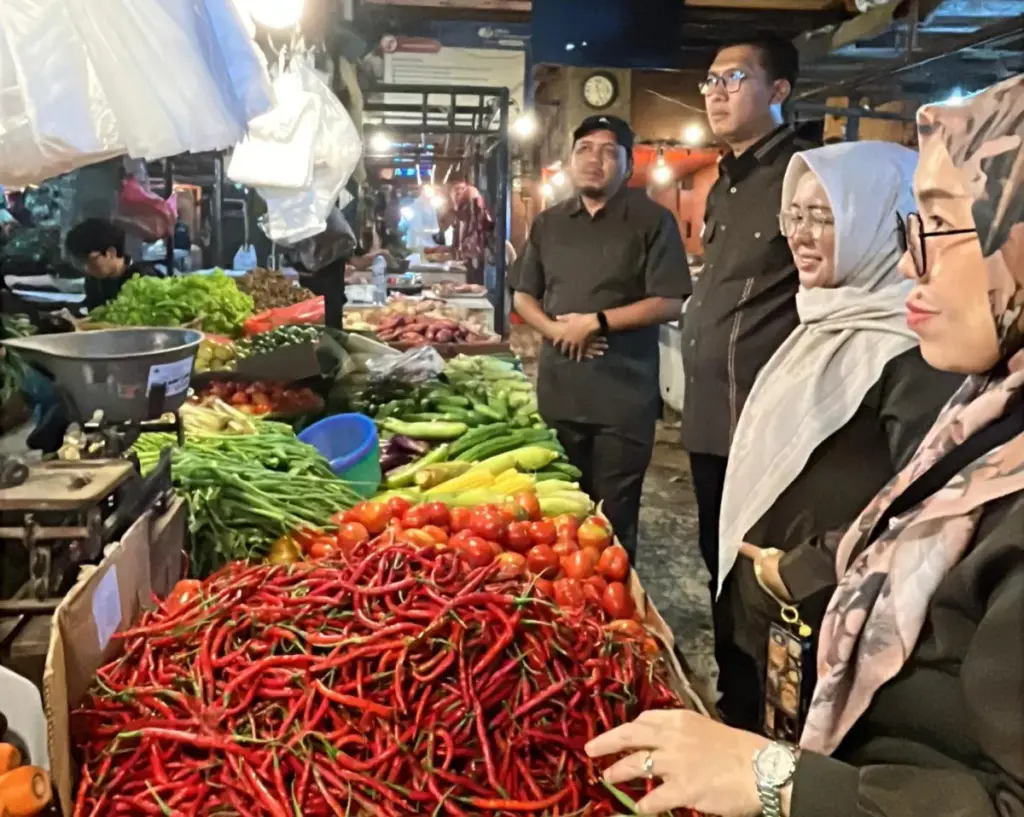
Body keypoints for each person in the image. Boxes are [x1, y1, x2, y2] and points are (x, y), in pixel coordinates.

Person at [585, 74, 1024, 817]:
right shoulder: (987, 407)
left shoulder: (932, 376)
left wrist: (777, 780)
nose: (912, 261)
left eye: (939, 225)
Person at [714, 141, 964, 733]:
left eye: (826, 218)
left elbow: (925, 509)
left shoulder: (917, 353)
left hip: (830, 622)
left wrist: (803, 570)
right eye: (794, 215)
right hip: (779, 617)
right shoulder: (822, 320)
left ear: (883, 224)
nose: (801, 234)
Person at [681, 34, 815, 724]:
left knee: (769, 584)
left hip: (768, 430)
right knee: (719, 568)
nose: (716, 91)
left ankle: (778, 726)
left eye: (734, 77)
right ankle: (736, 706)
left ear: (780, 90)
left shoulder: (804, 175)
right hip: (711, 425)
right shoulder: (724, 182)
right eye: (709, 80)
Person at [511, 114, 689, 559]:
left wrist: (597, 322)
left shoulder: (653, 221)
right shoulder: (550, 223)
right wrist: (556, 329)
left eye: (609, 151)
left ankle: (613, 616)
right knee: (559, 512)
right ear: (570, 160)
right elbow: (522, 296)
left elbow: (671, 300)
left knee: (613, 519)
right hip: (560, 394)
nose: (595, 159)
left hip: (622, 400)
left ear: (628, 166)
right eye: (585, 149)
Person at [64, 218, 161, 312]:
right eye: (81, 262)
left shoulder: (143, 278)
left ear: (111, 253)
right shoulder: (95, 280)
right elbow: (91, 309)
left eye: (90, 260)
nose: (86, 268)